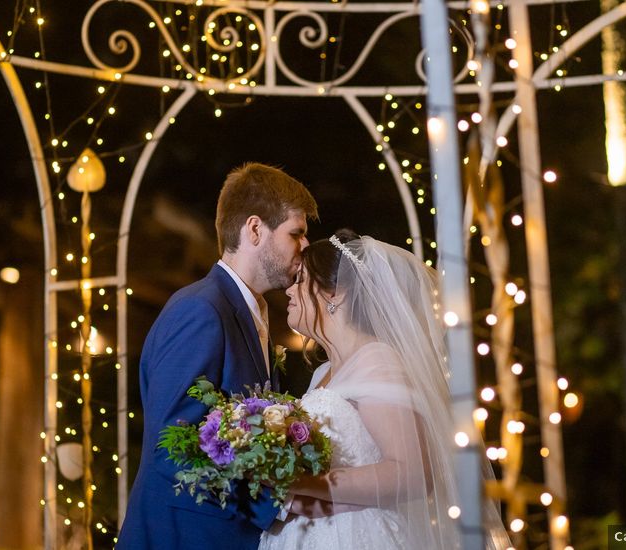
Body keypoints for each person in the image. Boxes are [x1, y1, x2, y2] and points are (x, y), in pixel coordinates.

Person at [260, 229, 509, 550]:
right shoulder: (323, 371)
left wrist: (297, 483)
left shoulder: (377, 361)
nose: (289, 291)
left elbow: (412, 475)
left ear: (337, 294)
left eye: (301, 280)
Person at [116, 163, 318, 550]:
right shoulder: (201, 311)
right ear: (255, 229)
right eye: (297, 233)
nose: (305, 246)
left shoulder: (251, 311)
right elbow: (171, 449)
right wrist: (278, 504)